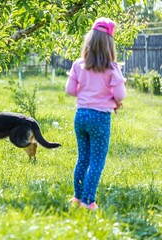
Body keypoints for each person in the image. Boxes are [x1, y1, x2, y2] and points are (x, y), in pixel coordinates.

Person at [65, 17, 126, 210]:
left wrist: (86, 92)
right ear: (110, 45)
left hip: (81, 116)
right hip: (100, 118)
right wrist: (113, 101)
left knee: (83, 158)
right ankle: (88, 201)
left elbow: (70, 90)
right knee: (97, 160)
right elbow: (120, 94)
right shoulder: (111, 67)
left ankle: (77, 197)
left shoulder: (78, 64)